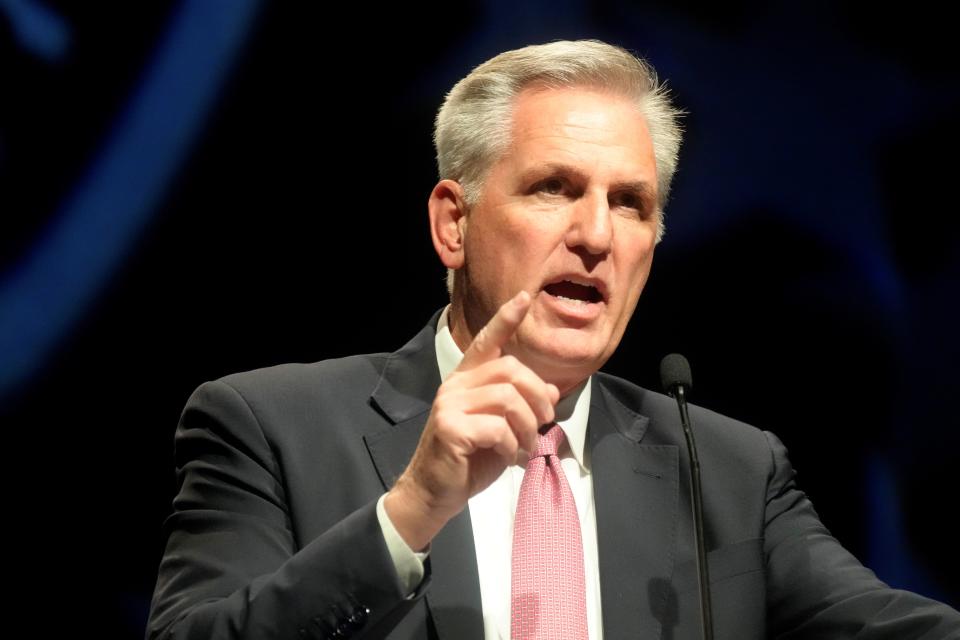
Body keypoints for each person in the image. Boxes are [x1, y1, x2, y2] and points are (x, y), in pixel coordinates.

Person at [146, 40, 960, 639]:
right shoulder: (267, 427)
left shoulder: (731, 472)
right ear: (453, 224)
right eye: (554, 189)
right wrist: (409, 514)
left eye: (631, 203)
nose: (596, 235)